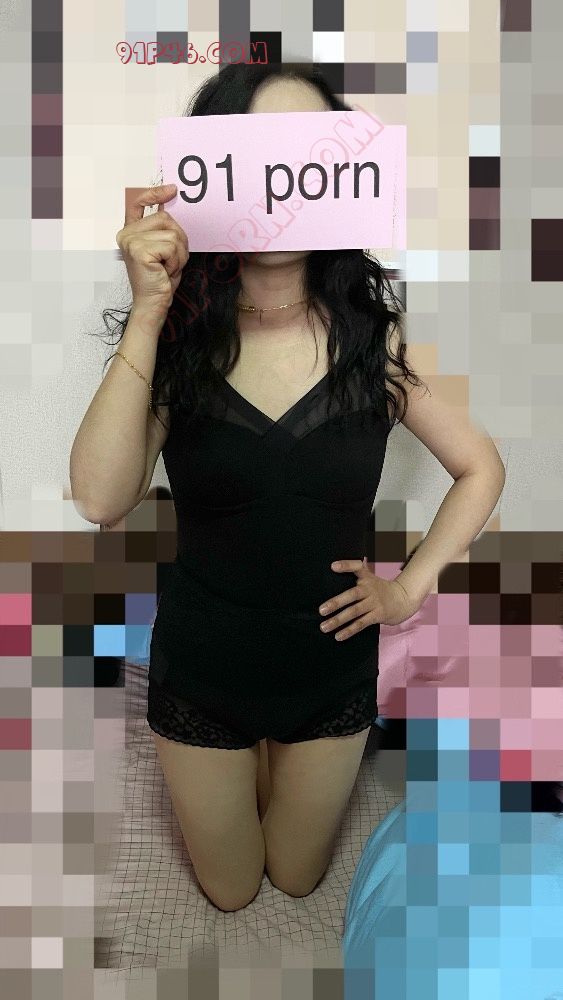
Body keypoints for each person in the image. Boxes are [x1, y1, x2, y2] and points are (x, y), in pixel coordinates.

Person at [69, 62, 506, 914]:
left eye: (304, 150)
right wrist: (150, 310)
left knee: (298, 878)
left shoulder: (374, 344)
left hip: (328, 671)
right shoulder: (178, 346)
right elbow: (98, 498)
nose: (278, 177)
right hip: (203, 669)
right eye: (254, 149)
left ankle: (279, 757)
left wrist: (410, 587)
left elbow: (479, 466)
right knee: (232, 892)